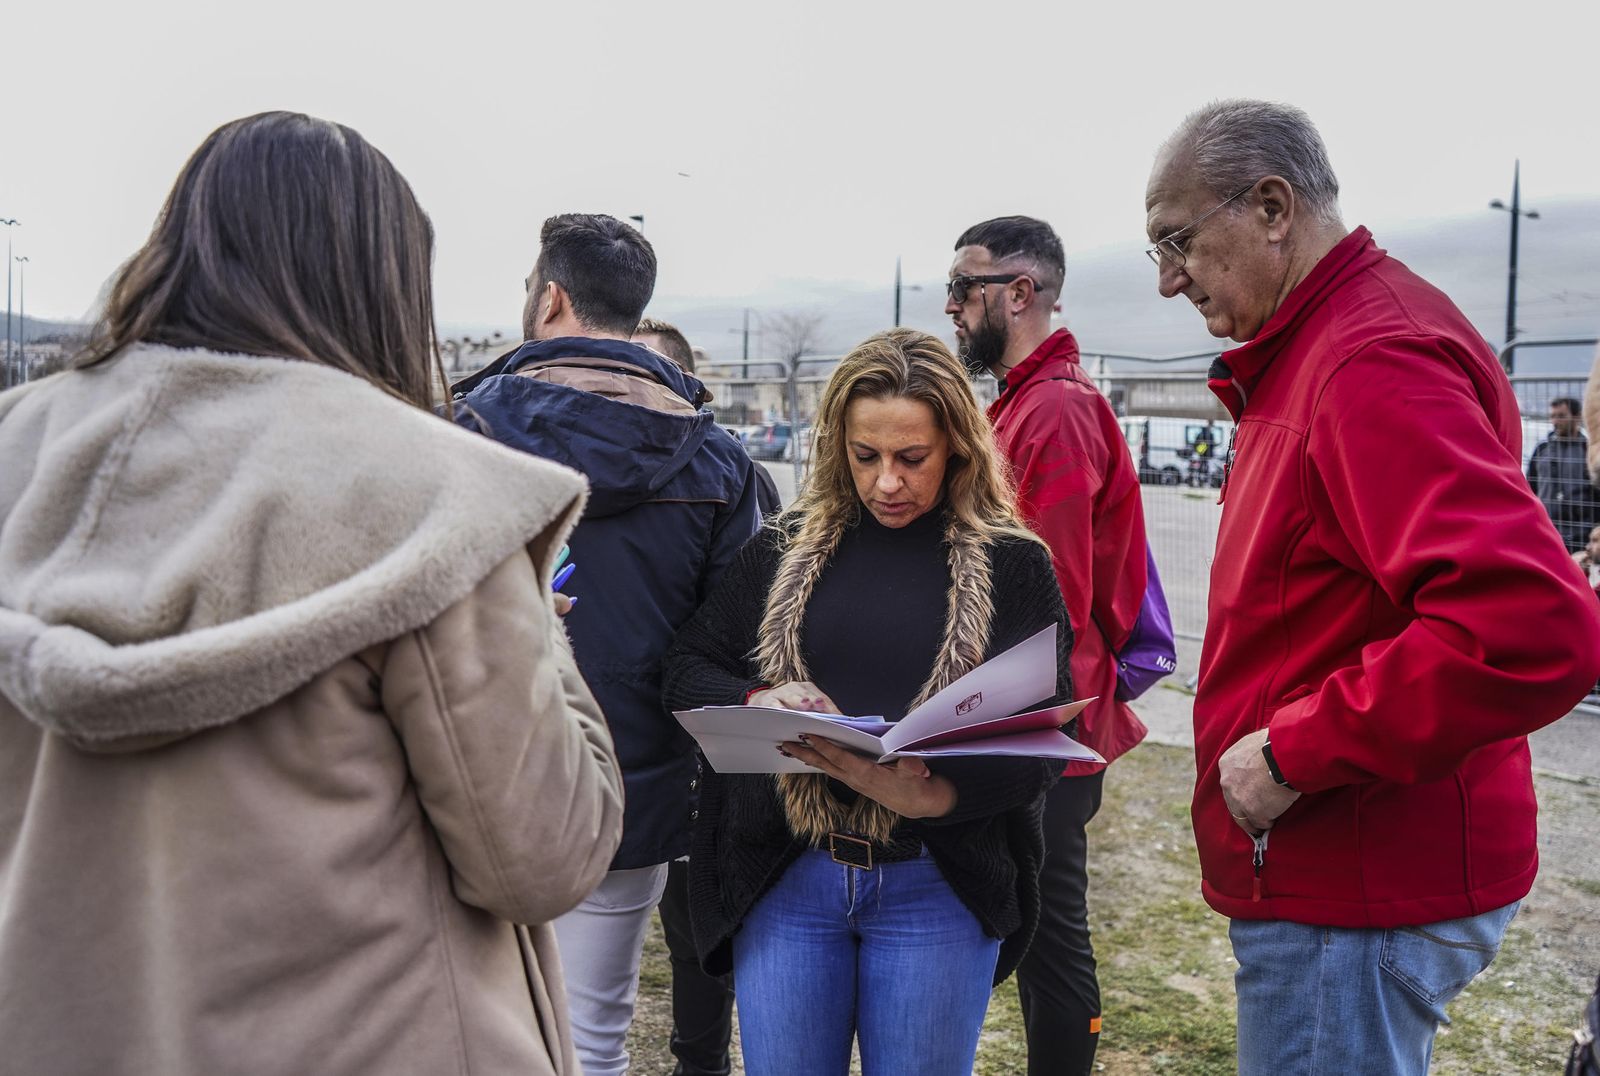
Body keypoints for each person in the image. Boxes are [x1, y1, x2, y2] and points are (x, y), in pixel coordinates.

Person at [0, 112, 624, 1075]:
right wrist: (538, 626)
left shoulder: (18, 453)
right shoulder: (434, 498)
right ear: (384, 278)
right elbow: (545, 853)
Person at [1145, 98, 1600, 1074]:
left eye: (1177, 240)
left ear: (1271, 206)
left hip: (1353, 887)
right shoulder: (1331, 345)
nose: (1165, 278)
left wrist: (1298, 748)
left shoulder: (1366, 358)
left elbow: (1529, 625)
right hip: (1344, 877)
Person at [663, 328, 1070, 1076]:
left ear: (958, 446)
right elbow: (688, 667)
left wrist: (936, 794)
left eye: (911, 458)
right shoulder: (781, 549)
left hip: (936, 889)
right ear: (836, 446)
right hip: (787, 878)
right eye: (865, 456)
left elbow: (1041, 740)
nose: (886, 482)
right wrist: (759, 693)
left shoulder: (1015, 565)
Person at [450, 214, 762, 1076]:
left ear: (550, 297)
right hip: (638, 790)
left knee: (478, 1034)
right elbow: (738, 642)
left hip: (478, 777)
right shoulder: (719, 463)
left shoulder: (461, 434)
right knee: (594, 1037)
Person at [945, 214, 1154, 1075]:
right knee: (1029, 930)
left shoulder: (1057, 411)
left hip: (1048, 725)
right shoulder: (1028, 401)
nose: (952, 308)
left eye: (964, 288)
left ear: (1019, 293)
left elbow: (1050, 597)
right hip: (1028, 716)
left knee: (1051, 936)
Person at [634, 314, 781, 520]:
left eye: (644, 373)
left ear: (686, 381)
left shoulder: (745, 476)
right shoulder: (597, 463)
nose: (629, 383)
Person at [1528, 396, 1600, 552]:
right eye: (1552, 416)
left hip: (1581, 535)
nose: (1555, 421)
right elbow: (1529, 487)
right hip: (1546, 531)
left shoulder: (1589, 451)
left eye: (1561, 416)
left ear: (1577, 417)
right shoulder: (1542, 450)